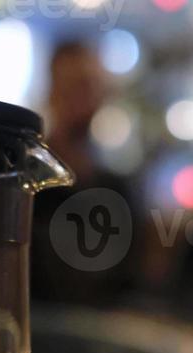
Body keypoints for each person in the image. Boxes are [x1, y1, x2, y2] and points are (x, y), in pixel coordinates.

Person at [31, 40, 142, 307]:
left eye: (91, 87)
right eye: (74, 87)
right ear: (52, 90)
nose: (85, 100)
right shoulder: (27, 183)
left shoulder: (117, 188)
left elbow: (127, 282)